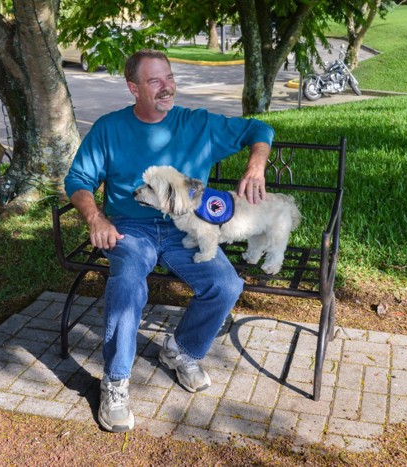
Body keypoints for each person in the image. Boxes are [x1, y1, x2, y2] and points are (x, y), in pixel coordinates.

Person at [63, 49, 274, 432]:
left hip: (187, 228)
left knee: (226, 284)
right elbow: (78, 179)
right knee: (127, 284)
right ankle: (115, 382)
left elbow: (258, 130)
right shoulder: (110, 129)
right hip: (131, 227)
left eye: (169, 77)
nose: (167, 87)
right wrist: (95, 217)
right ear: (134, 88)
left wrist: (256, 163)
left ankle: (181, 350)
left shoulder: (198, 124)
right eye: (155, 81)